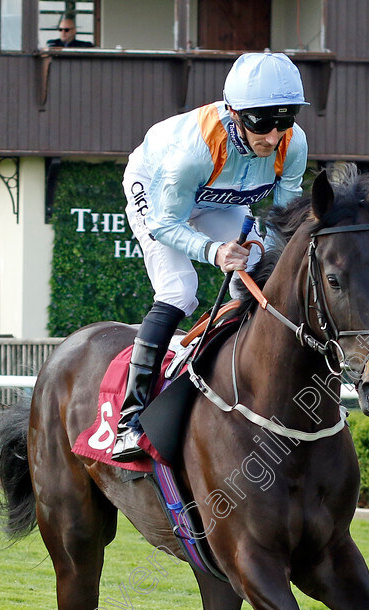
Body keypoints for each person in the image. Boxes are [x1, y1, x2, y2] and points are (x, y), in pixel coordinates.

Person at [112, 52, 309, 462]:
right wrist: (214, 250)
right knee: (181, 291)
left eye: (284, 119)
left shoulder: (293, 145)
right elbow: (166, 225)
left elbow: (284, 226)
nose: (272, 136)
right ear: (235, 113)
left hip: (220, 198)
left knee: (256, 273)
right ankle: (129, 421)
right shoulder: (192, 152)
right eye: (261, 122)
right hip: (159, 191)